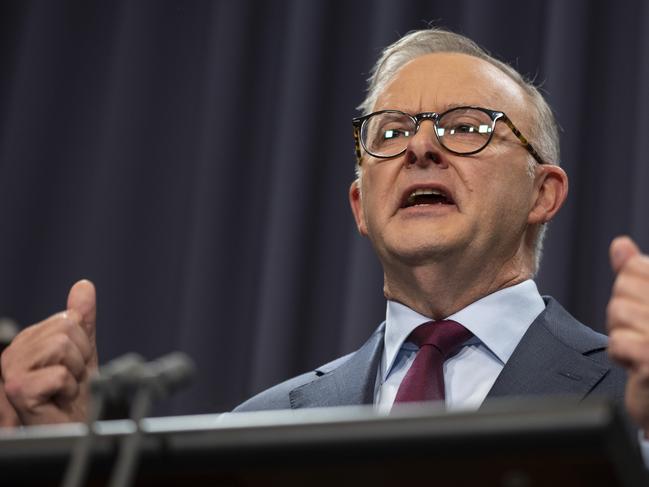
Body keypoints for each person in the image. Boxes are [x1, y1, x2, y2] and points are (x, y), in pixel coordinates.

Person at [1, 28, 649, 436]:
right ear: (359, 204)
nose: (420, 146)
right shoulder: (260, 427)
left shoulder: (634, 396)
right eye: (389, 132)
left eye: (465, 126)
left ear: (544, 193)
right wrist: (57, 459)